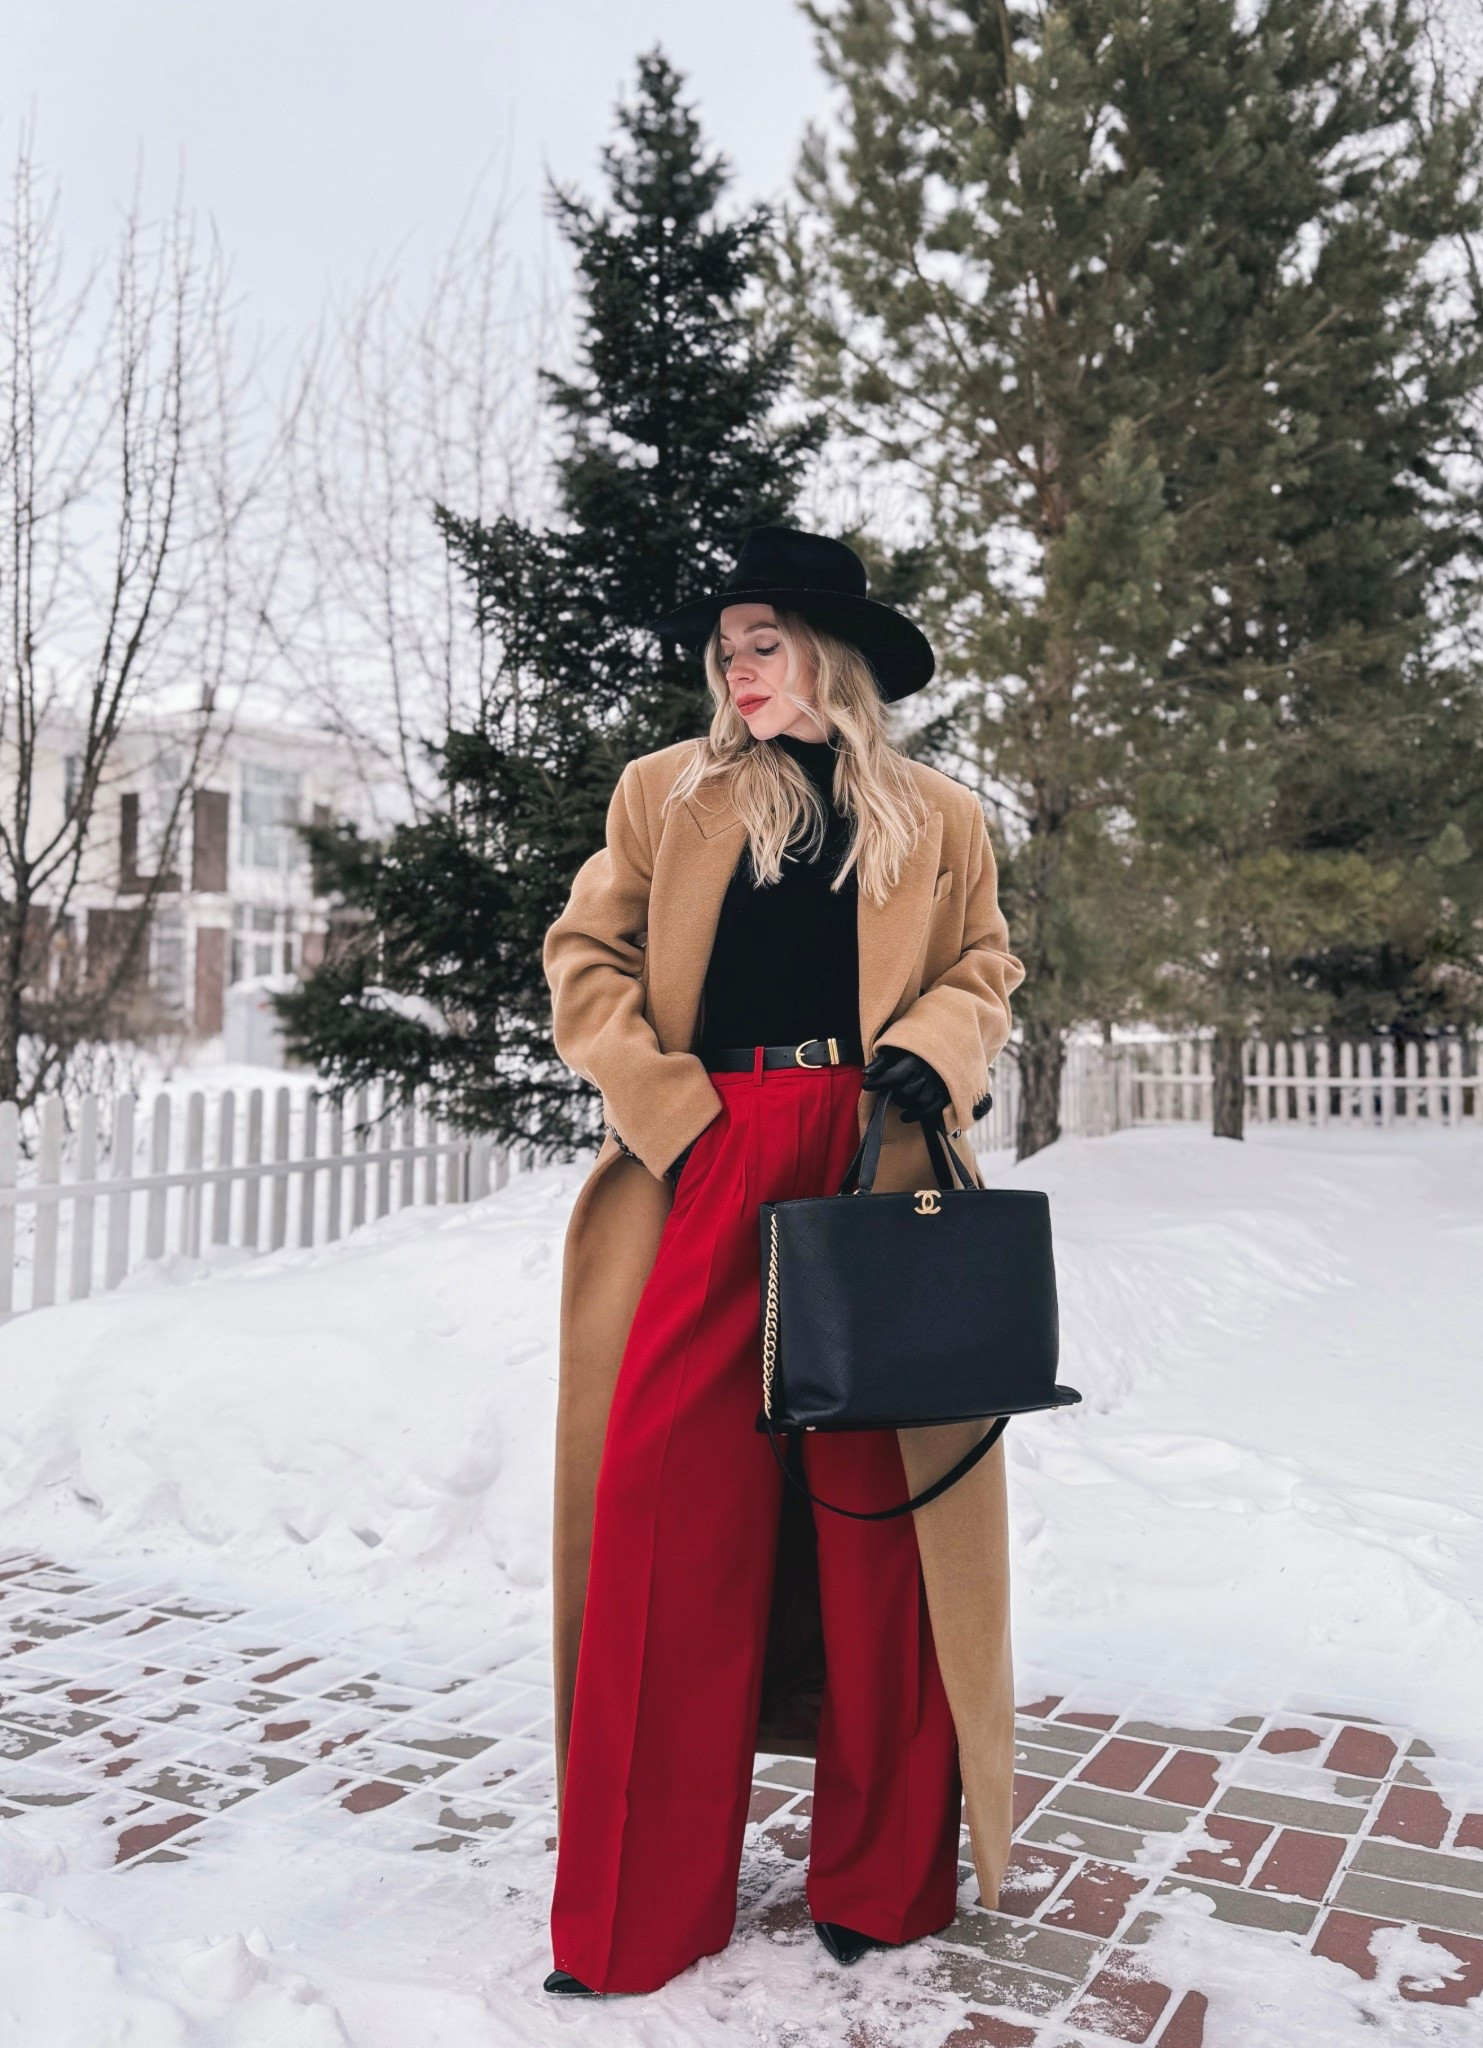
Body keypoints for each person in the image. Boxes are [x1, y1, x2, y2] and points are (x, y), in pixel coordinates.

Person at [540, 525, 1026, 1996]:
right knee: (666, 1514)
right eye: (726, 648)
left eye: (764, 642)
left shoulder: (937, 815)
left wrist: (937, 1059)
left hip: (877, 1161)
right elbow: (585, 958)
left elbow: (987, 967)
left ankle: (884, 1885)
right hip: (713, 1146)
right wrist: (672, 1116)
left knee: (882, 1527)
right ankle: (633, 1911)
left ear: (833, 653)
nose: (739, 670)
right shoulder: (664, 797)